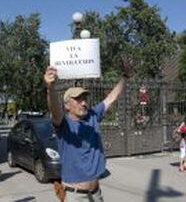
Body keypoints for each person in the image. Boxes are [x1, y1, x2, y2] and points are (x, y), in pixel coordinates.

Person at [44, 61, 131, 202]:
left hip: (96, 194)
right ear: (67, 105)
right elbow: (54, 110)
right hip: (75, 196)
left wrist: (125, 77)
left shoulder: (92, 115)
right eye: (78, 99)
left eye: (84, 99)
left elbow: (111, 98)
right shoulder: (63, 124)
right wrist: (50, 87)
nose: (83, 103)